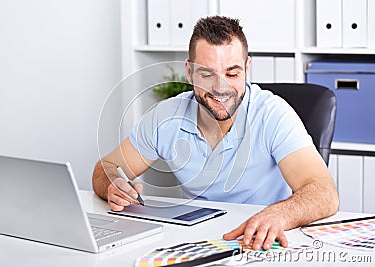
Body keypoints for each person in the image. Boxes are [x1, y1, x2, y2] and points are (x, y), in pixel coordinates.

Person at [92, 16, 339, 251]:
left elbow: (324, 193)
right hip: (197, 241)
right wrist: (114, 184)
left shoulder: (272, 114)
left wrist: (279, 214)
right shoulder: (166, 116)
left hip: (263, 243)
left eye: (232, 73)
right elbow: (106, 167)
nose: (220, 87)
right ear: (189, 72)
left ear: (247, 68)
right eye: (207, 74)